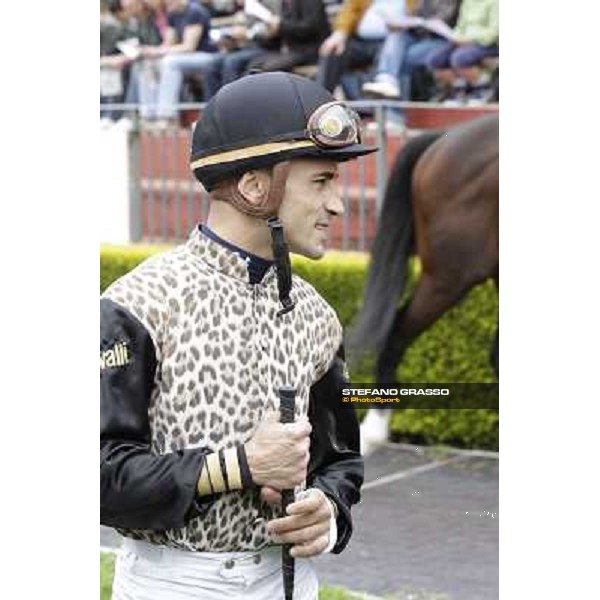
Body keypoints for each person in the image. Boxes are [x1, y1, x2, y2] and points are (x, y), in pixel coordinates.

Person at [101, 71, 373, 599]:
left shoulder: (318, 317)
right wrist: (240, 466)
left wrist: (328, 509)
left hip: (291, 582)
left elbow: (340, 459)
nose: (338, 204)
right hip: (173, 583)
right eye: (321, 182)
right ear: (254, 187)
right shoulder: (138, 304)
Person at [135, 0, 218, 126]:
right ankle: (148, 114)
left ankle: (166, 115)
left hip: (206, 56)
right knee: (148, 63)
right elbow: (167, 45)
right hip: (184, 57)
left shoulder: (195, 11)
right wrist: (151, 52)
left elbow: (189, 47)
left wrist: (157, 52)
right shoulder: (172, 14)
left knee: (170, 62)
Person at [361, 0, 459, 100]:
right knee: (396, 36)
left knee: (400, 57)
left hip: (443, 40)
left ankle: (394, 100)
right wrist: (405, 23)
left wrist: (420, 22)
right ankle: (386, 79)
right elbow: (416, 17)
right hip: (420, 38)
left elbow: (441, 22)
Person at [425, 0, 499, 104]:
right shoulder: (467, 2)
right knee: (434, 60)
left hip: (487, 44)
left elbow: (494, 33)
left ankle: (482, 90)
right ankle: (459, 91)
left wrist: (469, 39)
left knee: (459, 58)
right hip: (463, 41)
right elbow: (460, 26)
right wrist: (456, 37)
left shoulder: (495, 3)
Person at [316, 0, 385, 100]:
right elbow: (349, 10)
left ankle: (369, 106)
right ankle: (320, 100)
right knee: (333, 51)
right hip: (359, 40)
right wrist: (340, 33)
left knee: (388, 53)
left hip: (392, 43)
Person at [245, 0, 330, 74]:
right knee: (254, 65)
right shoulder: (286, 2)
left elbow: (310, 28)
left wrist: (280, 25)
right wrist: (272, 32)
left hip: (310, 50)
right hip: (292, 50)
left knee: (267, 69)